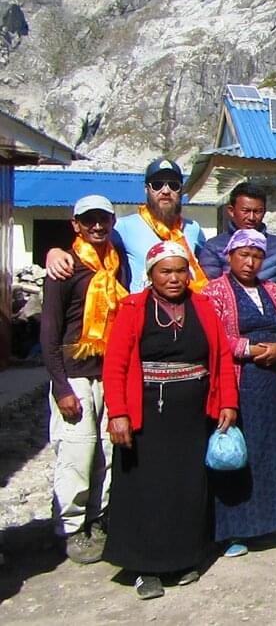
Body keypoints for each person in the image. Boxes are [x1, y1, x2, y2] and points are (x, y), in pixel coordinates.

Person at [101, 242, 238, 600]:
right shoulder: (133, 308)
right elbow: (115, 365)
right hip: (146, 417)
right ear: (151, 275)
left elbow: (221, 357)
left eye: (180, 270)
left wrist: (227, 401)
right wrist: (118, 413)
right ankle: (145, 567)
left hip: (192, 416)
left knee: (187, 486)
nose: (174, 278)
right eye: (166, 271)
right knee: (147, 488)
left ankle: (184, 558)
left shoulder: (202, 307)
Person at [40, 195, 127, 564]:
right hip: (74, 375)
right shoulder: (65, 268)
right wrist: (60, 387)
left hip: (109, 372)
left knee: (106, 452)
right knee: (77, 451)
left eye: (103, 220)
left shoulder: (116, 264)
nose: (97, 226)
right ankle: (71, 526)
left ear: (112, 222)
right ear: (75, 224)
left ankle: (97, 517)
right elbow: (50, 331)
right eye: (88, 220)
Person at [202, 229, 276, 557]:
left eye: (257, 256)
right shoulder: (215, 291)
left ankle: (268, 525)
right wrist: (250, 349)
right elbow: (212, 336)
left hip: (269, 384)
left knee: (268, 451)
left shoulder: (271, 289)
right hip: (237, 382)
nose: (250, 262)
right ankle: (234, 531)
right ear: (229, 256)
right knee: (236, 453)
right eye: (243, 255)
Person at [47, 159, 206, 293]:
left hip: (187, 311)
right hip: (142, 313)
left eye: (173, 185)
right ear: (146, 190)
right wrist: (55, 252)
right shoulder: (124, 227)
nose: (166, 190)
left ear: (181, 191)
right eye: (157, 185)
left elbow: (206, 267)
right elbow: (88, 247)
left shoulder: (193, 228)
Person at [198, 182, 276, 289]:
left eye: (257, 211)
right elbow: (212, 289)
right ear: (231, 211)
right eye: (245, 211)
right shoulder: (214, 246)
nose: (251, 217)